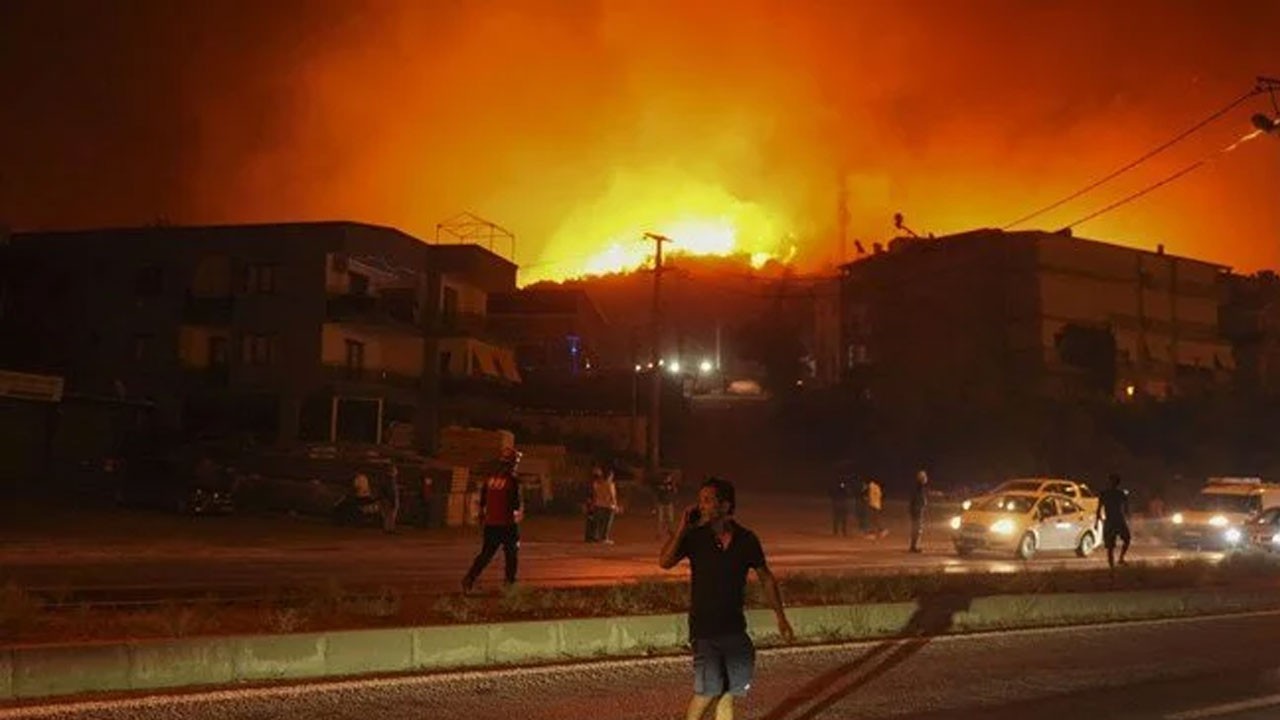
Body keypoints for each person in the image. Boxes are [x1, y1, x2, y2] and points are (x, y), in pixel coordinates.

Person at [659, 477, 794, 720]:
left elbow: (766, 578)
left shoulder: (747, 540)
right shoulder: (695, 537)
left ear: (725, 506)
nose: (701, 506)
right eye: (700, 500)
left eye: (708, 500)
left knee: (728, 695)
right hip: (705, 630)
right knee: (708, 691)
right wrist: (682, 527)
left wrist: (781, 617)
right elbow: (665, 562)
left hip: (734, 628)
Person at [462, 447, 523, 592]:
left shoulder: (490, 479)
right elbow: (515, 503)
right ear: (512, 463)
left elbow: (483, 500)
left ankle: (469, 578)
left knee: (486, 554)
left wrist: (483, 515)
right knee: (511, 553)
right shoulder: (512, 480)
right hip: (507, 523)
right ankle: (509, 583)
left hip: (491, 523)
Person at [1096, 473, 1132, 569]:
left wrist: (1098, 521)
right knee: (1119, 542)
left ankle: (1114, 565)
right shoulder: (1119, 494)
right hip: (1117, 520)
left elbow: (1099, 509)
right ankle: (1118, 561)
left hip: (1113, 521)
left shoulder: (1106, 493)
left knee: (1112, 546)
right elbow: (1127, 508)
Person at [588, 464, 620, 544]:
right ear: (610, 476)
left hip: (598, 505)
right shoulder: (610, 485)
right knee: (607, 524)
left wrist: (593, 504)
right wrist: (616, 506)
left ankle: (596, 537)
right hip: (608, 506)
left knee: (598, 522)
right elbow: (612, 496)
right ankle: (604, 538)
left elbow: (595, 495)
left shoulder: (597, 484)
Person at [908, 470, 928, 553]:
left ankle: (913, 546)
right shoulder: (919, 488)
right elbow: (917, 499)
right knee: (916, 529)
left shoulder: (918, 487)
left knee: (916, 529)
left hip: (916, 510)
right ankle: (913, 547)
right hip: (917, 511)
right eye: (924, 477)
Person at [654, 470, 679, 538]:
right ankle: (659, 533)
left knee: (670, 519)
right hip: (661, 503)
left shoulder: (671, 485)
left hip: (669, 503)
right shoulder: (660, 485)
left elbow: (675, 492)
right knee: (660, 519)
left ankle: (671, 531)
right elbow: (658, 494)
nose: (669, 478)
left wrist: (673, 486)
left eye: (670, 477)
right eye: (669, 477)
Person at [378, 464, 400, 534]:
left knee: (389, 515)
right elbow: (391, 491)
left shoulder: (387, 479)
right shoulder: (390, 480)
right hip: (389, 499)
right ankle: (389, 529)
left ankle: (389, 528)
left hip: (386, 499)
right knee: (390, 515)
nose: (396, 472)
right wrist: (392, 500)